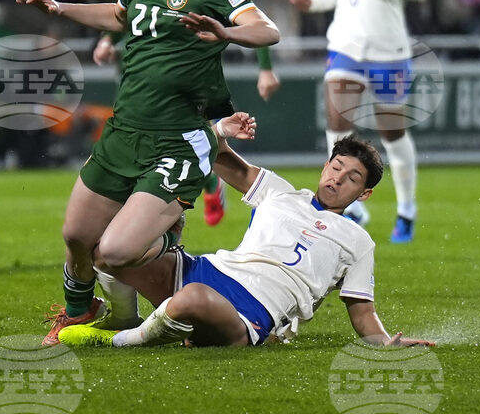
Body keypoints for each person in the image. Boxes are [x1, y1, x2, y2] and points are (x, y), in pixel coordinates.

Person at [15, 0, 280, 346]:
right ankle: (82, 311)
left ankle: (171, 250)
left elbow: (267, 30)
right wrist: (61, 8)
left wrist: (225, 32)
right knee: (77, 236)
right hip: (123, 133)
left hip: (178, 142)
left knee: (114, 251)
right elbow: (120, 15)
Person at [59, 113, 435, 350]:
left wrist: (385, 342)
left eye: (352, 177)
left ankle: (119, 341)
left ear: (364, 193)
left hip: (251, 311)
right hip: (203, 271)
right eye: (336, 167)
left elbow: (362, 312)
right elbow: (222, 158)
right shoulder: (281, 192)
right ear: (325, 165)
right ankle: (126, 319)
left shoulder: (358, 241)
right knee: (106, 247)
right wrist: (219, 128)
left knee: (193, 300)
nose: (338, 178)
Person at [92, 0, 281, 227]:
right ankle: (253, 198)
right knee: (177, 149)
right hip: (136, 81)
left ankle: (275, 205)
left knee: (195, 146)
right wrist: (105, 41)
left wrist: (266, 68)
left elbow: (253, 21)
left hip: (188, 84)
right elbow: (121, 17)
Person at [290, 0, 428, 242]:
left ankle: (407, 209)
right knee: (338, 127)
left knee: (392, 133)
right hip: (346, 47)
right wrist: (316, 1)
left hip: (388, 51)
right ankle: (351, 207)